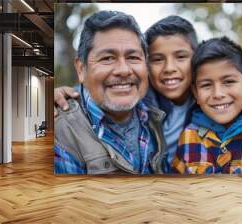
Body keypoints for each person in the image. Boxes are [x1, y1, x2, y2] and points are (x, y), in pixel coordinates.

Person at [55, 15, 242, 174]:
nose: (169, 68)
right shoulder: (142, 100)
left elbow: (230, 91)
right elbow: (103, 88)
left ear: (197, 62)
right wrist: (68, 92)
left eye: (181, 57)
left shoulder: (205, 98)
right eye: (157, 59)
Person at [54, 10, 166, 175]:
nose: (123, 70)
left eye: (133, 57)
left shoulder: (160, 113)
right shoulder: (62, 133)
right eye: (107, 58)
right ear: (81, 68)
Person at [172, 36, 242, 175]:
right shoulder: (187, 136)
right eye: (206, 85)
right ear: (195, 93)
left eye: (228, 82)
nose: (218, 94)